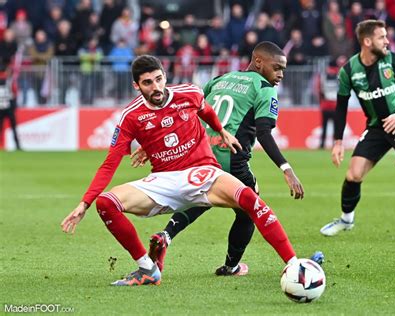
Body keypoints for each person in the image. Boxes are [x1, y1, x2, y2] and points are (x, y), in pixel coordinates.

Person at [61, 55, 306, 286]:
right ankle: (147, 270)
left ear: (165, 76)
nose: (155, 87)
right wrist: (84, 204)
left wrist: (221, 131)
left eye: (158, 79)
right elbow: (109, 164)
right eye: (147, 83)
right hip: (163, 180)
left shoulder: (189, 92)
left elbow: (207, 111)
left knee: (251, 200)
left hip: (203, 172)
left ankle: (293, 264)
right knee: (106, 203)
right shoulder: (131, 117)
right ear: (137, 86)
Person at [131, 41, 306, 276]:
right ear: (258, 62)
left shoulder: (221, 79)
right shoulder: (264, 88)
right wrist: (286, 168)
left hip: (199, 154)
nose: (281, 74)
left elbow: (187, 110)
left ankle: (165, 236)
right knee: (249, 211)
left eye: (283, 69)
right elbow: (264, 133)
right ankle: (232, 266)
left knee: (201, 197)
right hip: (231, 159)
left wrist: (151, 144)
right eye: (277, 68)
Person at [319, 20, 395, 241]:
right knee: (353, 174)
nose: (387, 41)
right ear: (367, 41)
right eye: (381, 37)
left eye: (386, 36)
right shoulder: (348, 71)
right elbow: (341, 106)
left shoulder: (394, 60)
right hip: (376, 126)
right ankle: (346, 220)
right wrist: (337, 141)